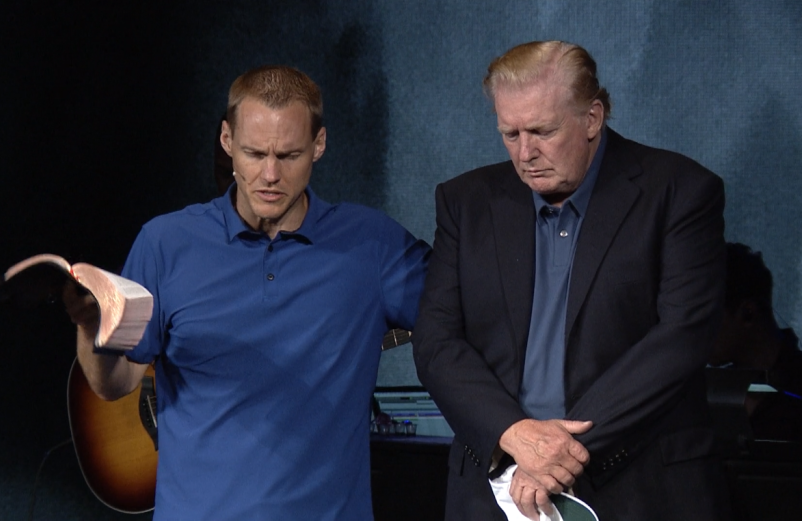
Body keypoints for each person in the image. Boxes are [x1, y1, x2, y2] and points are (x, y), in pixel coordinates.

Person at [65, 65, 429, 520]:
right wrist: (89, 326)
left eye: (289, 155)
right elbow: (113, 384)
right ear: (227, 142)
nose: (270, 175)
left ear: (319, 145)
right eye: (255, 154)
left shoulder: (373, 245)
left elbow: (472, 312)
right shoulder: (165, 243)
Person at [413, 41, 731, 521]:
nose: (525, 153)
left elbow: (682, 336)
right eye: (510, 133)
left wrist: (556, 454)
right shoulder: (465, 202)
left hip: (639, 488)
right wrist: (514, 434)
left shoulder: (679, 191)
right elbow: (437, 342)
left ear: (592, 117)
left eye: (542, 131)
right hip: (494, 489)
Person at [710, 242, 802, 440]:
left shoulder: (795, 388)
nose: (696, 329)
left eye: (708, 316)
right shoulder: (706, 391)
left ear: (747, 314)